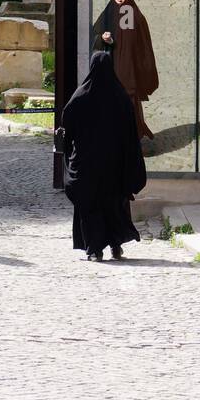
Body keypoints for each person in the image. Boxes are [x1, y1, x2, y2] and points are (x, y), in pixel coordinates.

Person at [61, 50, 147, 262]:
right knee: (113, 206)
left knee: (90, 207)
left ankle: (93, 249)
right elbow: (131, 135)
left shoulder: (79, 98)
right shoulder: (121, 98)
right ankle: (115, 245)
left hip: (87, 166)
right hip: (114, 167)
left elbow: (67, 129)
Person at [93, 0, 159, 139]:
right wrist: (103, 38)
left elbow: (139, 43)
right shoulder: (109, 12)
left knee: (128, 97)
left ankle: (131, 136)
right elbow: (94, 34)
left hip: (129, 67)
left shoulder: (133, 14)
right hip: (112, 64)